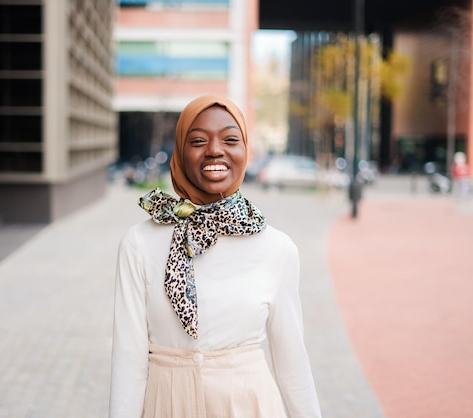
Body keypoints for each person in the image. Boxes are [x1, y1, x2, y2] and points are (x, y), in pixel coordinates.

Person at [109, 95, 321, 418]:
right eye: (198, 140)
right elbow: (128, 362)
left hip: (249, 406)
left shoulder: (277, 249)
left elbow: (292, 361)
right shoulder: (138, 244)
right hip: (166, 405)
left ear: (245, 150)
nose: (215, 150)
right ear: (181, 150)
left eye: (230, 139)